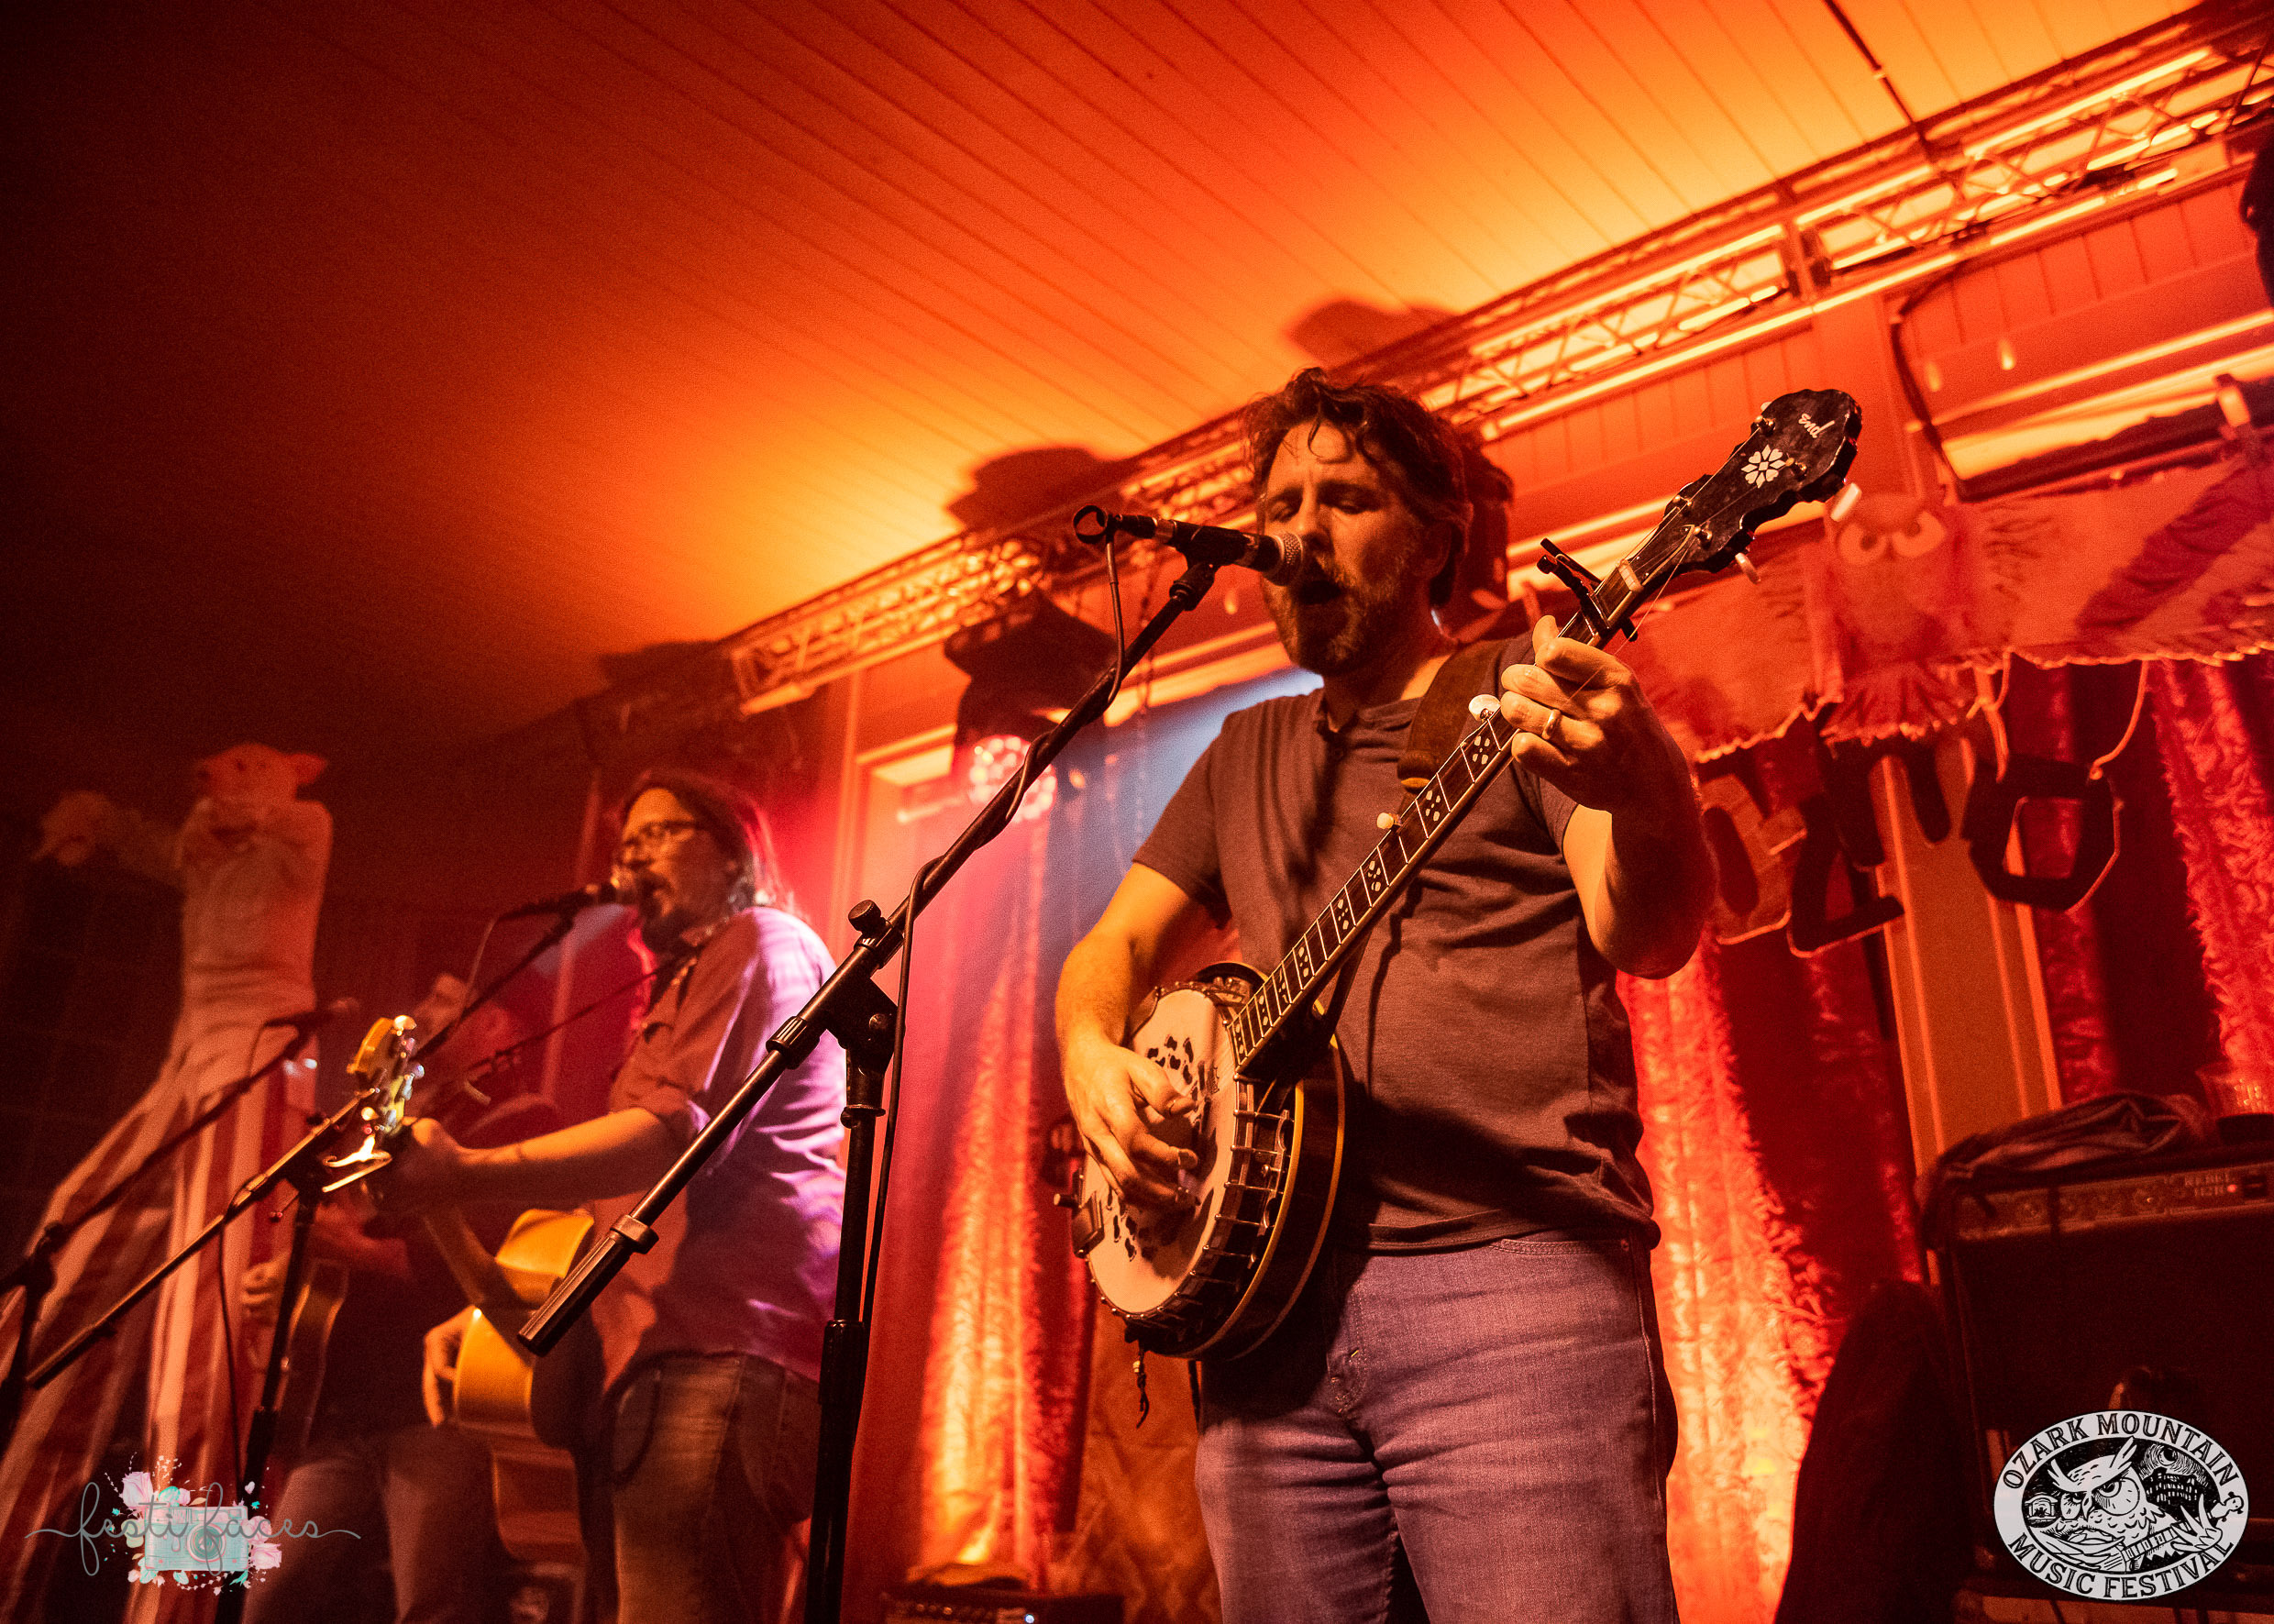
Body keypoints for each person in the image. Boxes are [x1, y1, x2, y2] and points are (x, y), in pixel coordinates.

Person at [1055, 368, 1714, 1623]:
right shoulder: (1241, 753)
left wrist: (1644, 786)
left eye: (1345, 499)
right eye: (1279, 505)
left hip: (1511, 1289)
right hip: (1266, 1322)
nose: (1299, 530)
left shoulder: (1521, 692)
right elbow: (1114, 947)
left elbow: (1649, 932)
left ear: (1434, 537)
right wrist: (1091, 1053)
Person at [386, 772, 843, 1624]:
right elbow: (629, 1212)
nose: (633, 855)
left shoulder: (763, 940)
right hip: (647, 1369)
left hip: (716, 1352)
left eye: (661, 832)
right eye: (627, 841)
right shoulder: (674, 993)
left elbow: (671, 1137)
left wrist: (465, 1170)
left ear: (735, 853)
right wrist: (484, 1300)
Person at [240, 981, 560, 1624]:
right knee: (268, 1601)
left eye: (448, 1000)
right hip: (342, 1412)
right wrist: (293, 1280)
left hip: (435, 1414)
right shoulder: (393, 1120)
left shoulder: (522, 1124)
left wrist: (355, 1250)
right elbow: (347, 1228)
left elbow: (486, 1267)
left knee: (429, 1605)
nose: (424, 1011)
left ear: (496, 1026)